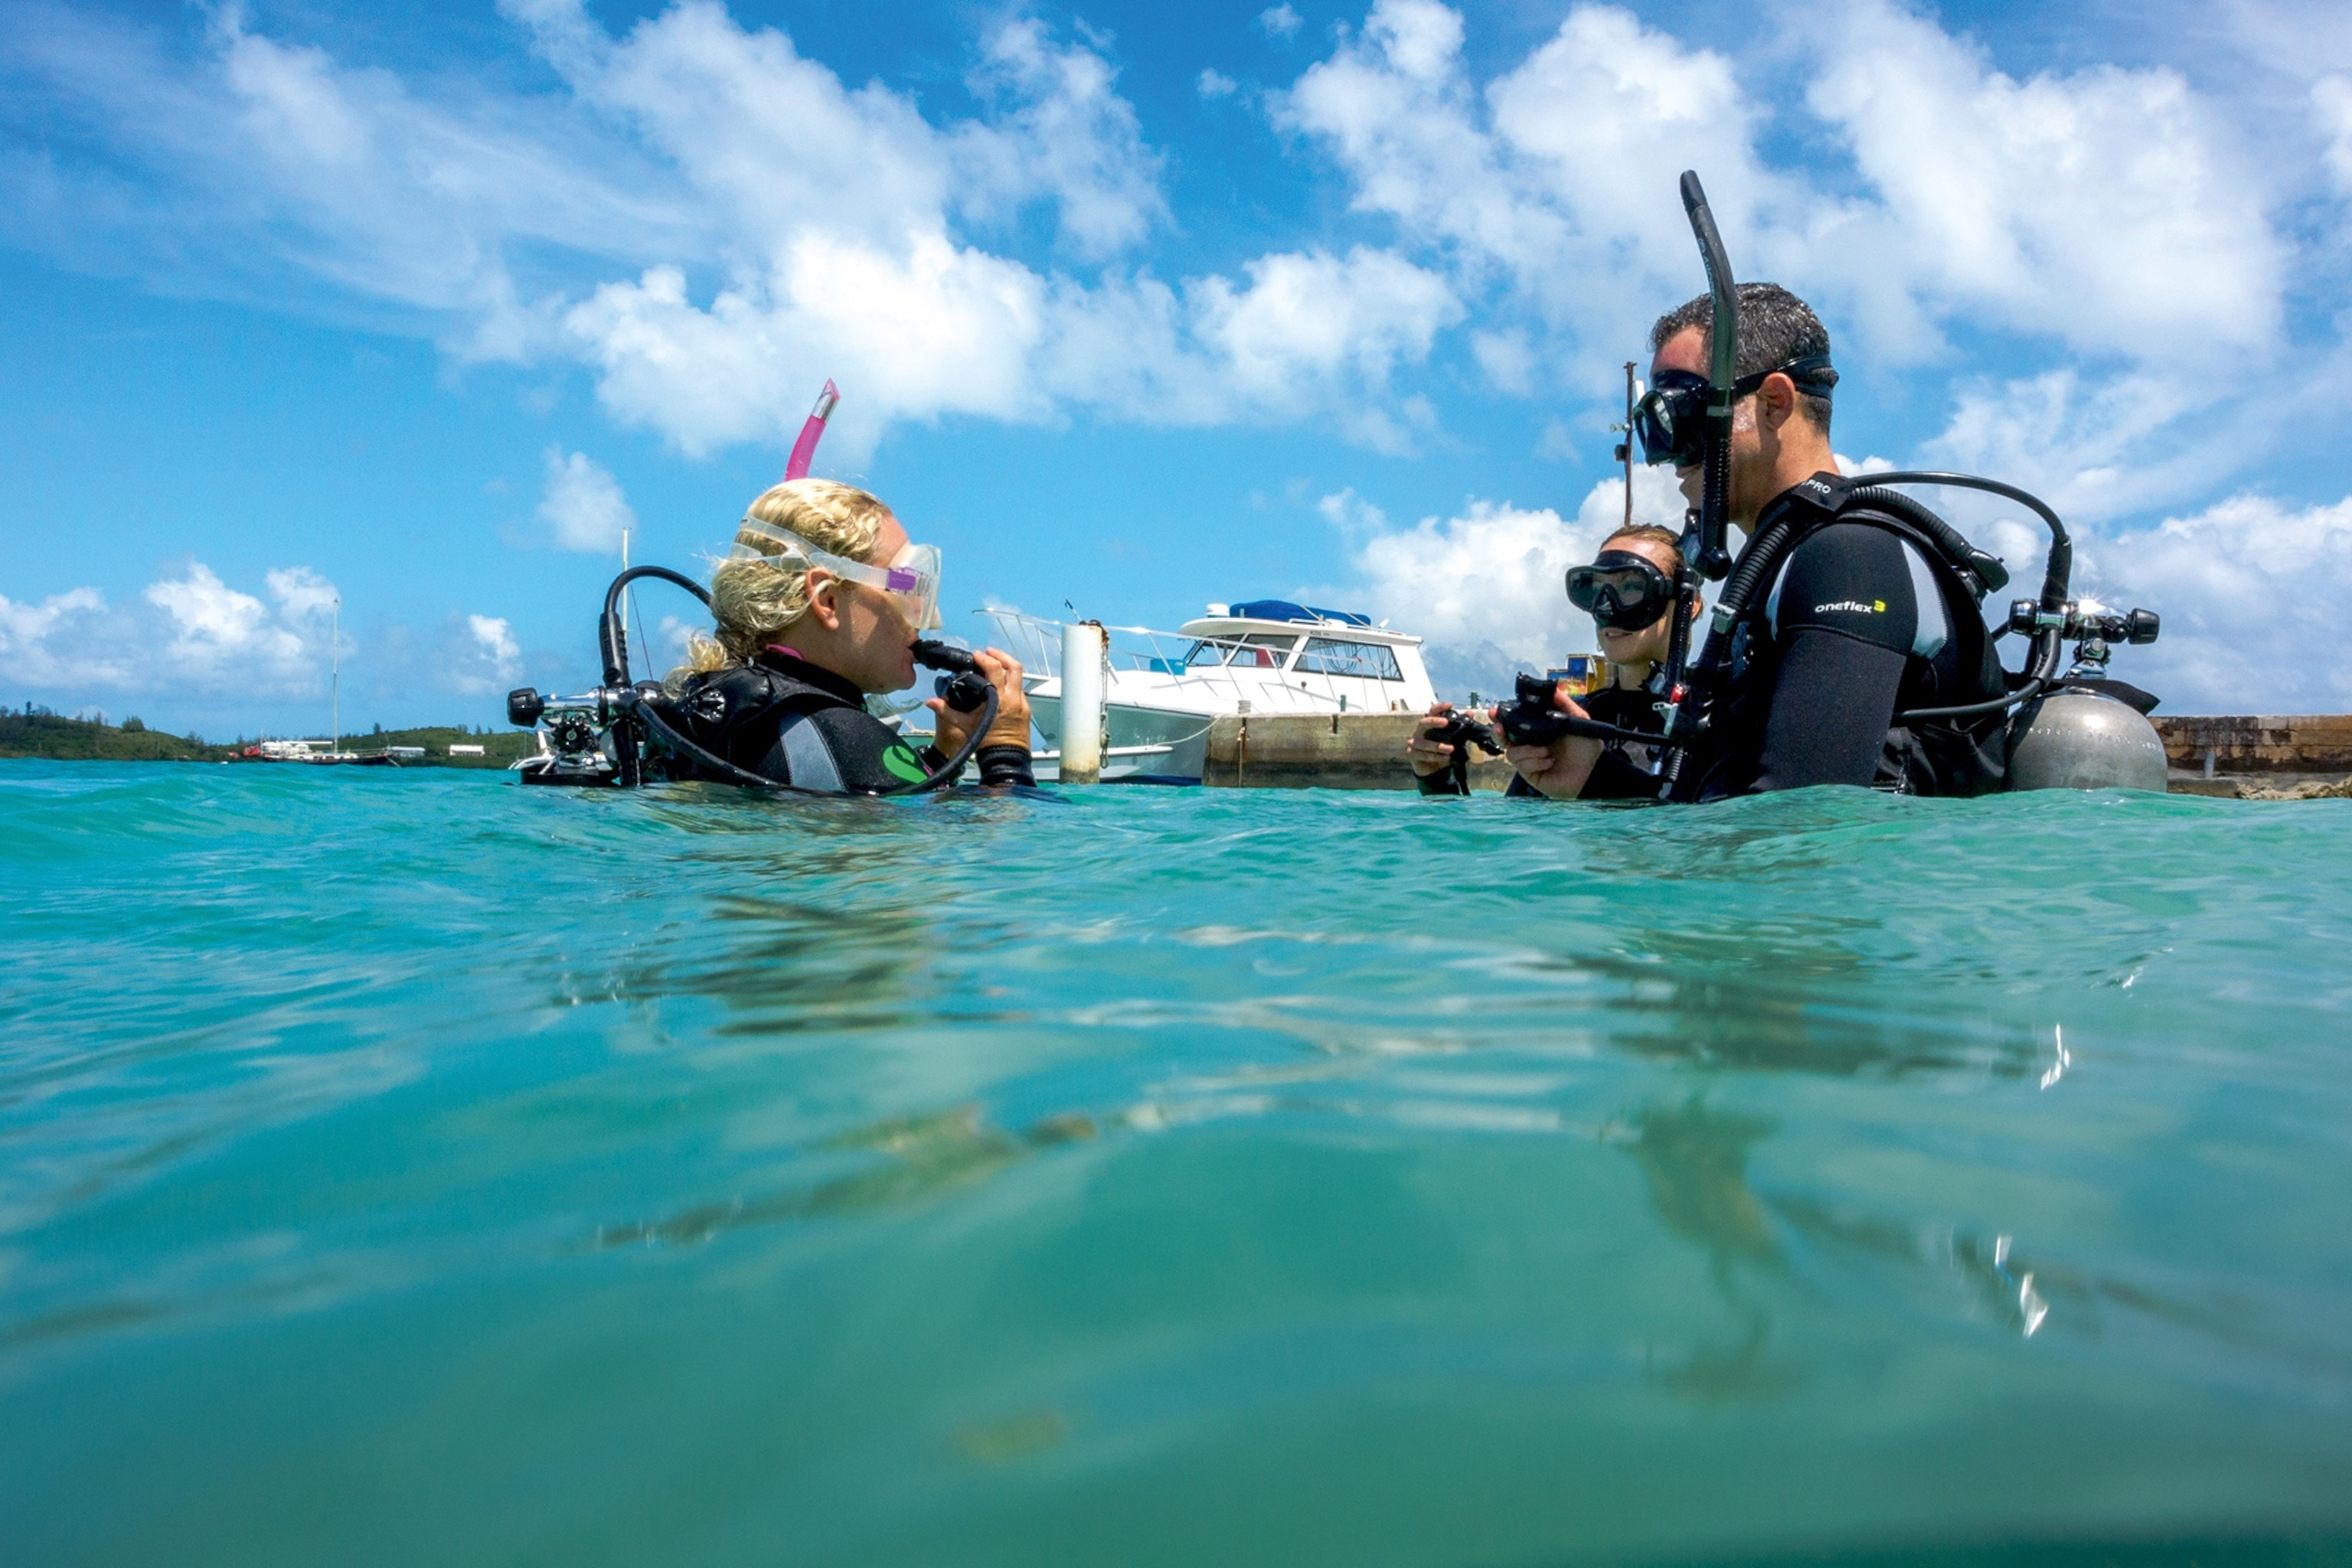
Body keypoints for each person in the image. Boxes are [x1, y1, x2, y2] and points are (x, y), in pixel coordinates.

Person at [1636, 283, 2007, 798]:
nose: (1664, 454)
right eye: (1651, 424)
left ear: (1773, 403)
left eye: (1682, 417)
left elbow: (1799, 828)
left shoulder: (1849, 558)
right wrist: (1590, 777)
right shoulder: (1783, 566)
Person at [663, 478, 1034, 792]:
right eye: (906, 590)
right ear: (828, 601)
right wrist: (1007, 754)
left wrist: (940, 759)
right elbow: (1005, 864)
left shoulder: (730, 705)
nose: (930, 619)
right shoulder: (843, 738)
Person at [1406, 524, 1689, 800]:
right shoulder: (1573, 722)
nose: (1607, 606)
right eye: (1596, 589)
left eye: (1631, 586)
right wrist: (1438, 778)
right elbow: (1509, 836)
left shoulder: (1712, 720)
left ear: (1690, 601)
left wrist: (1596, 779)